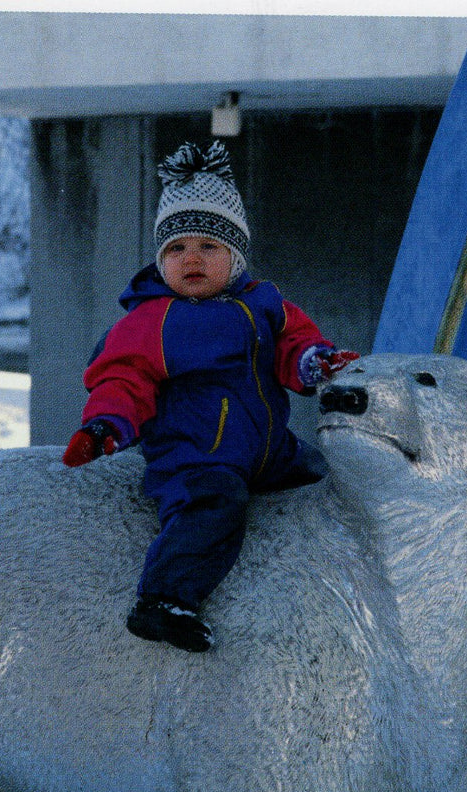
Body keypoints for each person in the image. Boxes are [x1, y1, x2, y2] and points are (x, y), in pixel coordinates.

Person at [62, 141, 359, 653]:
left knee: (324, 474)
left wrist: (316, 362)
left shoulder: (265, 304)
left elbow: (296, 342)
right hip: (198, 455)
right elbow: (121, 379)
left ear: (235, 255)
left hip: (268, 450)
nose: (191, 258)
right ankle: (164, 599)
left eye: (208, 246)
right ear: (160, 261)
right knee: (212, 506)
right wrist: (105, 426)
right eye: (175, 249)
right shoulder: (151, 322)